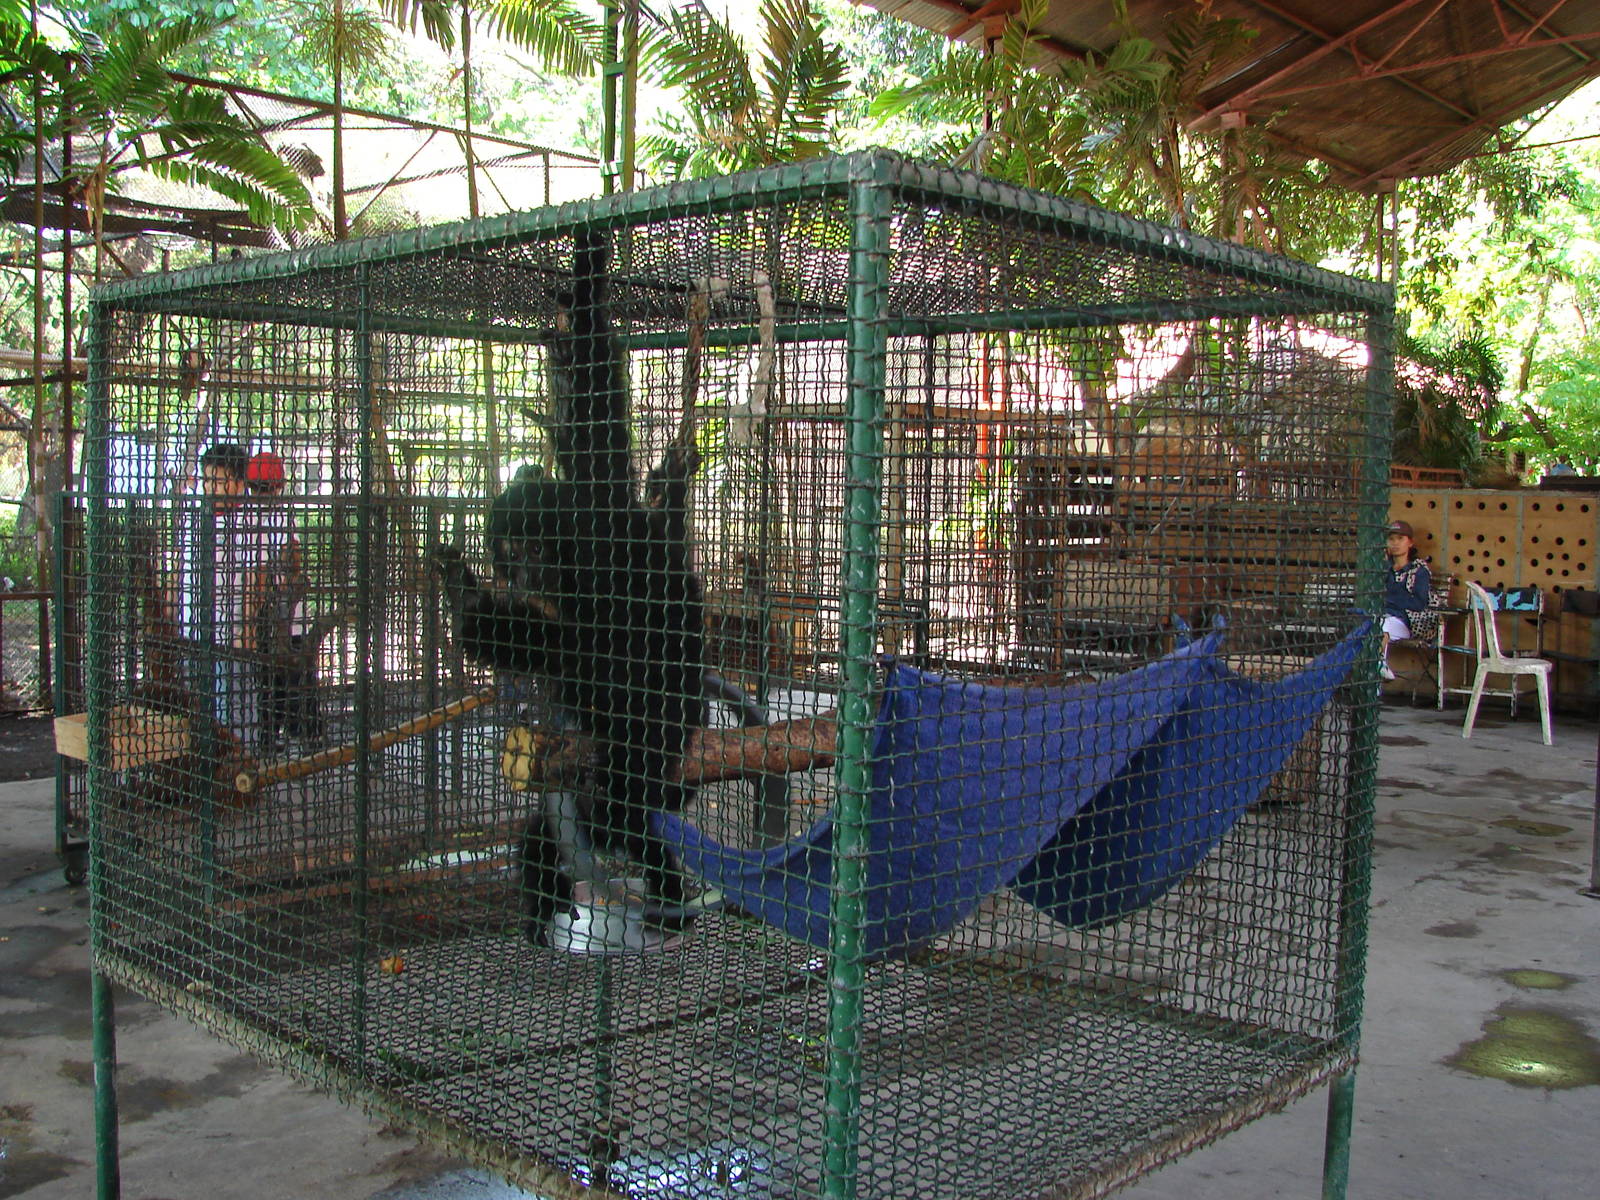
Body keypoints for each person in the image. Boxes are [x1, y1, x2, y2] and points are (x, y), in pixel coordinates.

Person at [175, 443, 271, 747]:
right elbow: (180, 566)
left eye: (218, 480)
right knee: (195, 711)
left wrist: (247, 628)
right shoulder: (194, 514)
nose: (209, 486)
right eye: (207, 479)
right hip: (192, 632)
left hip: (230, 638)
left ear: (240, 483)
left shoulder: (251, 520)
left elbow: (257, 579)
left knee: (234, 714)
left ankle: (241, 774)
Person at [247, 450, 321, 749]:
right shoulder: (278, 514)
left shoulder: (249, 515)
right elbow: (293, 562)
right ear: (280, 485)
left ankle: (273, 736)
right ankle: (306, 734)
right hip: (283, 615)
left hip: (271, 614)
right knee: (295, 675)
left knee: (272, 678)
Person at [1380, 519, 1431, 681]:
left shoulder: (1418, 570)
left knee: (1381, 626)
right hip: (1382, 615)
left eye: (1400, 539)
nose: (1395, 543)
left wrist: (1391, 600)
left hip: (1404, 621)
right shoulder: (1383, 568)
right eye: (1391, 539)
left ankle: (1378, 664)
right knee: (1371, 625)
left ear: (1410, 543)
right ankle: (1378, 667)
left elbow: (1419, 603)